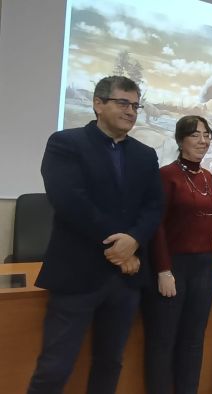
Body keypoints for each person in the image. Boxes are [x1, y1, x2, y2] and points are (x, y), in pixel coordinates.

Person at [28, 76, 163, 394]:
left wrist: (133, 242)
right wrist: (121, 245)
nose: (131, 111)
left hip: (124, 280)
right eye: (122, 103)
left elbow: (154, 206)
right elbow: (69, 201)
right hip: (77, 273)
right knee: (55, 366)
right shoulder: (65, 143)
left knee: (110, 363)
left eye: (135, 105)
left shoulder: (145, 155)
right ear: (98, 104)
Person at [143, 115, 212, 393]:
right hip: (173, 266)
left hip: (206, 266)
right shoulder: (166, 175)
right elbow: (157, 226)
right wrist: (164, 269)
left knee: (193, 339)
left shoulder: (207, 176)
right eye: (195, 135)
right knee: (163, 340)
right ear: (180, 140)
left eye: (207, 135)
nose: (203, 141)